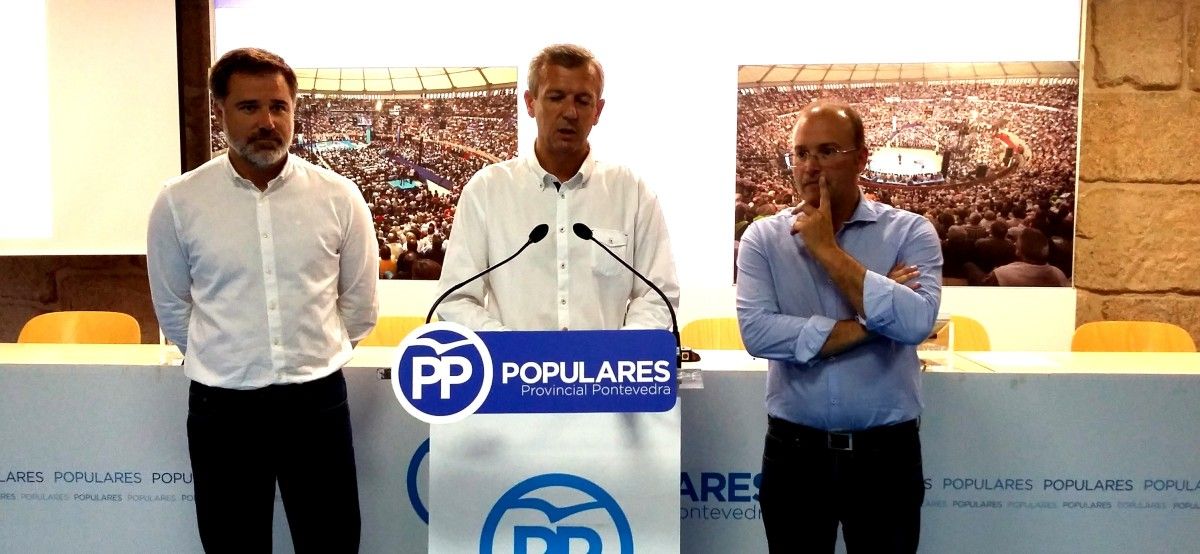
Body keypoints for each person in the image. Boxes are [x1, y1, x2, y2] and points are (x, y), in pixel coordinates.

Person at [147, 47, 377, 553]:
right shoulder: (178, 202)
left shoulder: (339, 196)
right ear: (220, 112)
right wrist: (229, 356)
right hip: (222, 407)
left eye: (279, 107)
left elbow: (360, 306)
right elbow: (172, 307)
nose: (267, 121)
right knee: (233, 544)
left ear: (294, 111)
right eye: (249, 107)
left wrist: (312, 353)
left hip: (316, 402)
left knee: (332, 542)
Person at [736, 101, 943, 553]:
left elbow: (917, 322)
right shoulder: (763, 240)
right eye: (801, 153)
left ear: (861, 158)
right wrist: (874, 320)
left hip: (885, 458)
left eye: (827, 151)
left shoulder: (911, 233)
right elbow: (758, 334)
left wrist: (828, 251)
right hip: (795, 456)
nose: (811, 167)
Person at [435, 43, 678, 331]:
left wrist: (615, 353)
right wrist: (513, 350)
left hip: (604, 371)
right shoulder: (486, 191)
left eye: (583, 100)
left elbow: (658, 297)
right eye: (556, 97)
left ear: (598, 110)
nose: (570, 112)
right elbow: (456, 299)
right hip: (513, 370)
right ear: (530, 103)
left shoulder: (632, 193)